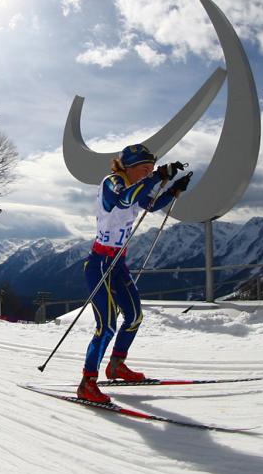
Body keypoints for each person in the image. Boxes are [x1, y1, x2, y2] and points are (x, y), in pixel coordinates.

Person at [77, 144, 192, 404]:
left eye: (150, 168)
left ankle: (117, 365)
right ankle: (87, 382)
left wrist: (173, 189)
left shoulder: (135, 185)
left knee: (134, 316)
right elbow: (123, 199)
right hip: (99, 264)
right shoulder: (112, 183)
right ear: (128, 167)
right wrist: (156, 177)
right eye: (143, 168)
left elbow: (149, 205)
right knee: (106, 326)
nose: (147, 173)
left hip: (118, 263)